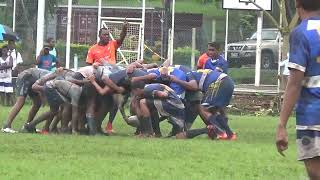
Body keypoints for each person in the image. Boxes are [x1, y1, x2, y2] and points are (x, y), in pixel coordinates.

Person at [276, 0, 320, 179]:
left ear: (297, 3)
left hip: (313, 114)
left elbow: (294, 83)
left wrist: (281, 125)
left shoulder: (301, 33)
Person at [2, 68, 50, 133]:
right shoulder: (53, 78)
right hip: (26, 76)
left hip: (34, 81)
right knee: (21, 100)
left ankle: (28, 126)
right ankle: (6, 126)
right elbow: (44, 89)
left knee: (38, 103)